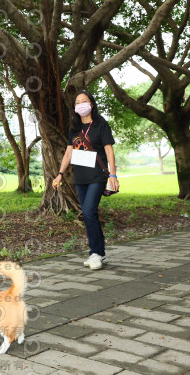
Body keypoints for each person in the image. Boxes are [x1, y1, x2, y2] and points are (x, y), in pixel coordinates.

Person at [52, 90, 119, 270]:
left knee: (89, 212)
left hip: (97, 176)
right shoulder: (74, 128)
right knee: (89, 215)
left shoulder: (100, 124)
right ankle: (99, 253)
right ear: (75, 108)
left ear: (91, 104)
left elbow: (108, 150)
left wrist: (113, 174)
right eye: (77, 102)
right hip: (80, 177)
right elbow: (68, 152)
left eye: (84, 101)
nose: (81, 104)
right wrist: (60, 173)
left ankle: (96, 253)